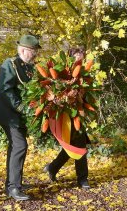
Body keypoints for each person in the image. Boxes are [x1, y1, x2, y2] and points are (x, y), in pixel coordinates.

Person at [0, 34, 41, 201]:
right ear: (23, 50)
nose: (35, 54)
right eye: (33, 51)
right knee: (20, 146)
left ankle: (13, 184)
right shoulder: (10, 65)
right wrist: (22, 108)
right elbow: (5, 90)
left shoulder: (29, 67)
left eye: (35, 51)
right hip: (9, 115)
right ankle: (14, 187)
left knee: (16, 147)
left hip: (20, 116)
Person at [43, 46, 91, 190]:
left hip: (77, 115)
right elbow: (53, 94)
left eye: (81, 59)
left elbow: (87, 95)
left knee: (77, 146)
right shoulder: (61, 74)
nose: (79, 61)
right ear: (70, 58)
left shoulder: (83, 75)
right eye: (77, 58)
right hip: (63, 116)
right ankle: (81, 179)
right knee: (74, 146)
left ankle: (55, 168)